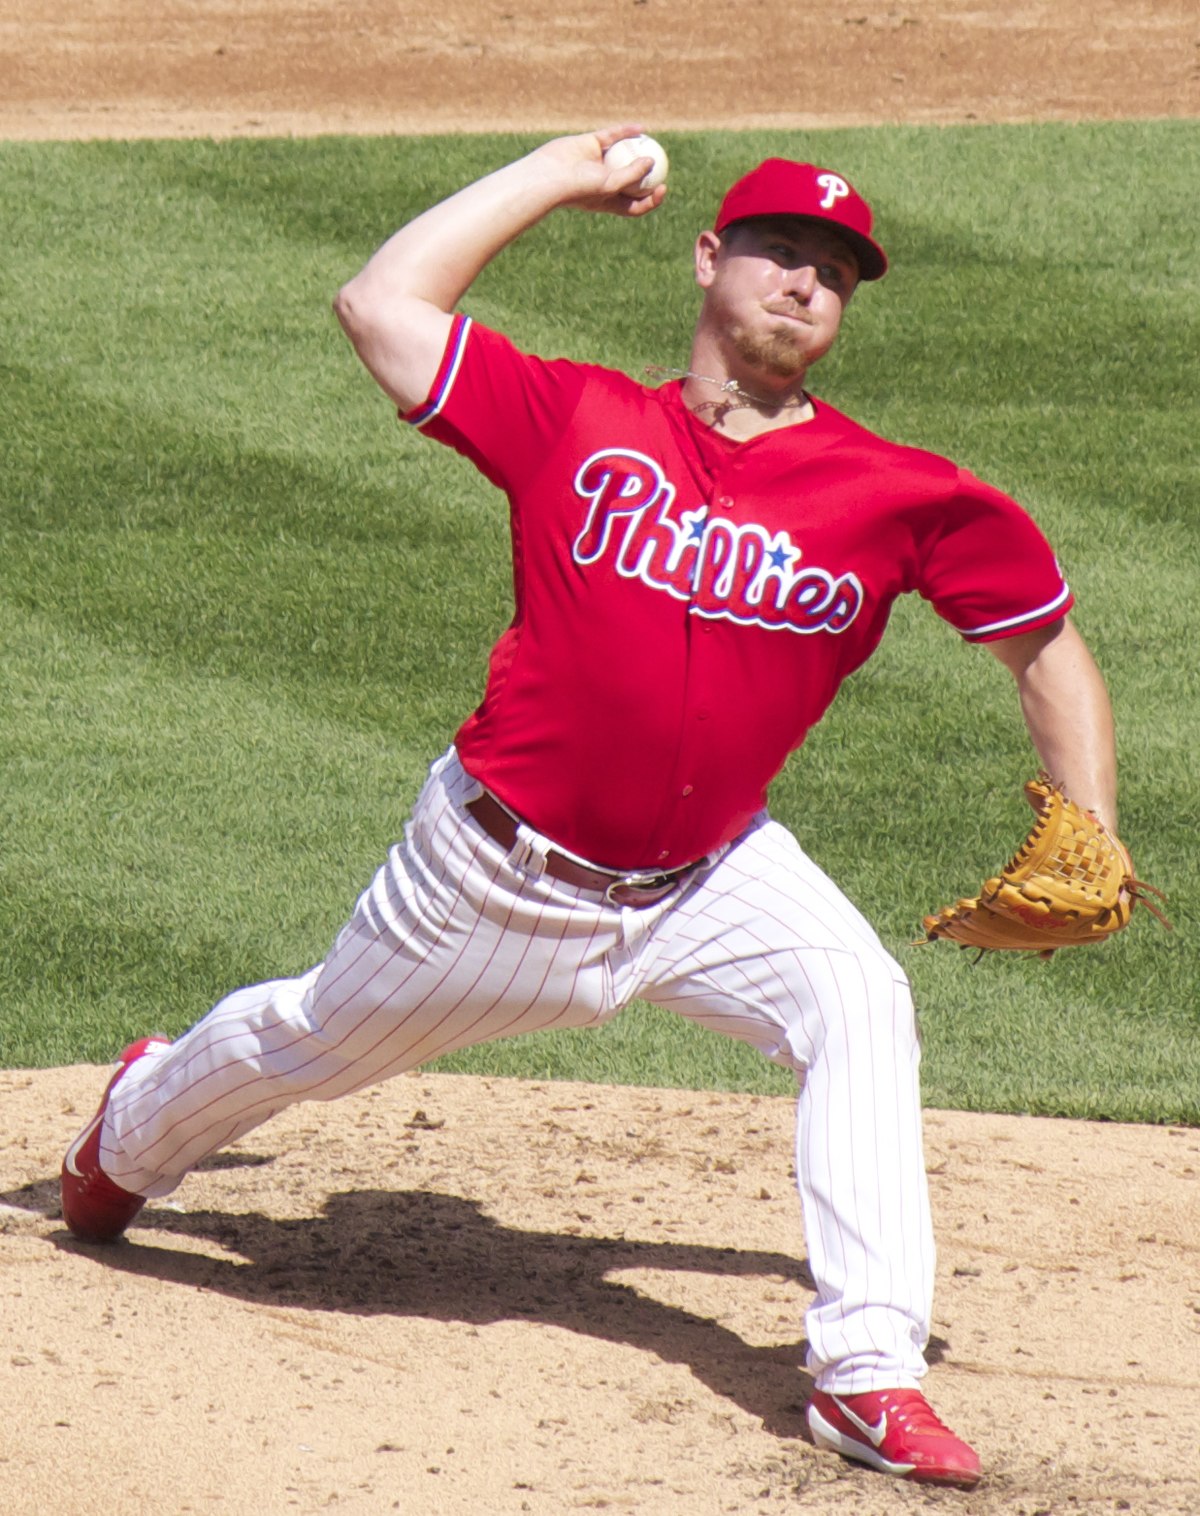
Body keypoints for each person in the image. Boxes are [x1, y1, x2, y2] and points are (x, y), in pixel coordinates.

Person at [61, 125, 1122, 1489]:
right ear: (707, 258)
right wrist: (563, 170)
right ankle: (132, 1127)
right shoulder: (576, 419)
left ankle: (866, 1374)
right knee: (314, 1039)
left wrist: (1089, 824)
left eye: (836, 274)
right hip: (492, 882)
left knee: (860, 1003)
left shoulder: (899, 494)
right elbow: (380, 305)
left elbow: (1044, 644)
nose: (807, 285)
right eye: (780, 253)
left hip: (712, 876)